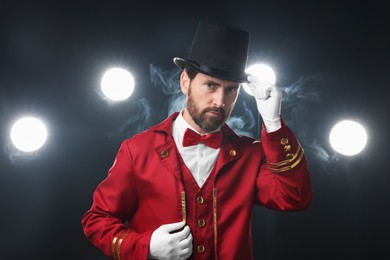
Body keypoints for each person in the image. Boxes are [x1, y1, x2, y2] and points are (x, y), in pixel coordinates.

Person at [82, 22, 313, 260]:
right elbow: (97, 220)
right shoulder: (138, 149)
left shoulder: (250, 154)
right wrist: (145, 245)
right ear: (185, 82)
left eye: (231, 90)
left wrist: (273, 122)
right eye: (211, 85)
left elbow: (294, 197)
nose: (220, 101)